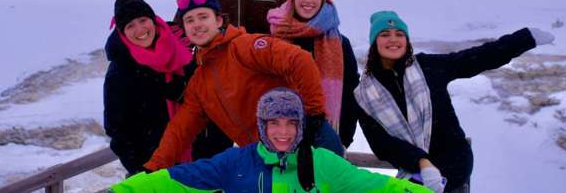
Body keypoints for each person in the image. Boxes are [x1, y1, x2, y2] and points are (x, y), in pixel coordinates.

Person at [143, 0, 344, 172]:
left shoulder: (245, 47)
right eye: (189, 20)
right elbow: (180, 130)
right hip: (269, 158)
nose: (197, 25)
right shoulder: (199, 83)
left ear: (219, 20)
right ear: (185, 30)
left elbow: (301, 60)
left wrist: (313, 116)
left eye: (203, 17)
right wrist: (154, 166)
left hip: (310, 143)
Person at [352, 11, 555, 193]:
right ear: (374, 43)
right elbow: (382, 144)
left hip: (453, 158)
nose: (393, 39)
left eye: (399, 34)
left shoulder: (428, 66)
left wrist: (524, 39)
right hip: (413, 165)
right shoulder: (365, 95)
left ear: (407, 40)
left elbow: (476, 58)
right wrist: (422, 162)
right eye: (385, 34)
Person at [108, 88, 434, 193]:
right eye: (274, 123)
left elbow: (378, 186)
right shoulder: (236, 162)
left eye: (291, 123)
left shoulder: (322, 162)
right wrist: (123, 189)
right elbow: (177, 179)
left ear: (301, 127)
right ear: (262, 126)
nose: (283, 132)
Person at [103, 0, 222, 175]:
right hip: (154, 166)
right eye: (130, 26)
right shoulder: (121, 70)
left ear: (153, 19)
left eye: (143, 20)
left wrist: (184, 93)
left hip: (201, 157)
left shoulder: (180, 45)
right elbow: (118, 128)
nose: (140, 29)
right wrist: (141, 170)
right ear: (122, 32)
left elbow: (205, 93)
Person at [267, 0, 360, 149]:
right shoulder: (274, 39)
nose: (308, 0)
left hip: (326, 135)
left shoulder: (339, 43)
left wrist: (344, 138)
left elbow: (350, 91)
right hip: (281, 135)